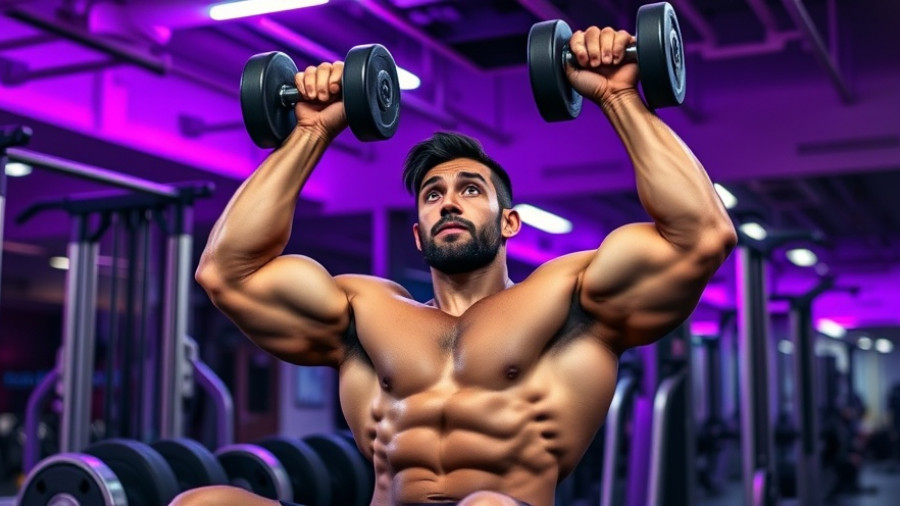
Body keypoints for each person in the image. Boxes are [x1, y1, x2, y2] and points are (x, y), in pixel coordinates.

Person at [177, 25, 737, 506]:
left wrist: (619, 96)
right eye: (432, 194)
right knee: (200, 501)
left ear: (509, 223)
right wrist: (310, 131)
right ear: (418, 235)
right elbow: (228, 273)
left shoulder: (570, 300)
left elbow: (700, 237)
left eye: (470, 189)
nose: (448, 201)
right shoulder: (364, 313)